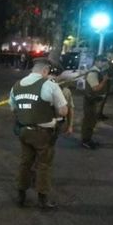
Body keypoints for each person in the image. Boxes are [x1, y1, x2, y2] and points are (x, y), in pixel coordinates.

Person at [10, 58, 68, 209]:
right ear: (45, 71)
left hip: (23, 131)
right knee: (44, 165)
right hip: (43, 134)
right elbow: (63, 110)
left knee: (25, 163)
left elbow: (13, 107)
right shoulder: (50, 85)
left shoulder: (16, 86)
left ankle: (20, 196)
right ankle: (43, 199)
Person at [81, 55, 110, 149]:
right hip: (90, 101)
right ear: (97, 61)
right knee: (89, 121)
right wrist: (104, 81)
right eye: (103, 62)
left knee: (92, 121)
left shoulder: (97, 72)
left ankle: (88, 139)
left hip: (93, 100)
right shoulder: (93, 73)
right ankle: (85, 141)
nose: (104, 64)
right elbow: (96, 88)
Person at [98, 53, 113, 120]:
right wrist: (107, 78)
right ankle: (98, 114)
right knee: (102, 99)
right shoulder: (105, 63)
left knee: (103, 99)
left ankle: (100, 113)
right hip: (104, 83)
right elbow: (103, 73)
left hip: (107, 83)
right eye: (111, 56)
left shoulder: (109, 63)